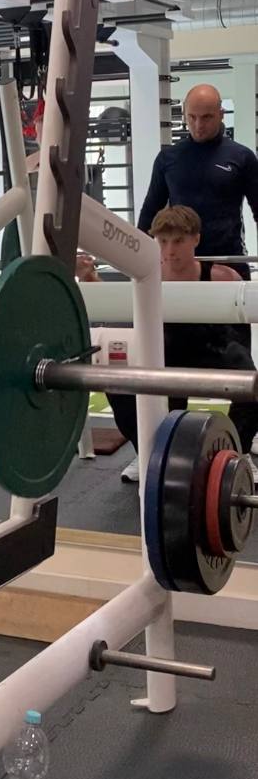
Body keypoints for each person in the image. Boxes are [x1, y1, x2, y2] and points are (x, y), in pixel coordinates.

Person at [77, 206, 258, 484]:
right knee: (118, 384)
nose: (170, 250)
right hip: (165, 353)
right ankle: (148, 452)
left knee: (252, 386)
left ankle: (236, 455)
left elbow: (240, 334)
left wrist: (241, 368)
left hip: (211, 348)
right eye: (162, 241)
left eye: (178, 241)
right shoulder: (146, 277)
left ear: (195, 240)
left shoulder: (222, 277)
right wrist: (88, 276)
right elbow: (120, 308)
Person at [138, 83, 258, 278]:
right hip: (180, 265)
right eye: (192, 117)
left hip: (229, 262)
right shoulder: (168, 159)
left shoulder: (242, 157)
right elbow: (149, 213)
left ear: (221, 114)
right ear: (184, 114)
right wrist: (137, 261)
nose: (198, 125)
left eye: (207, 117)